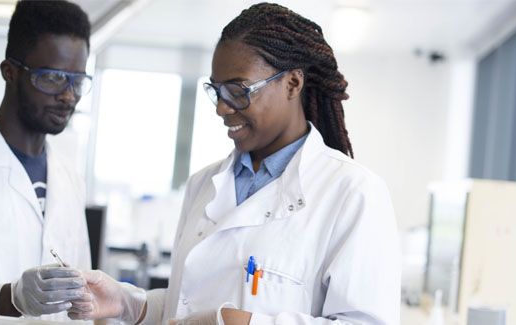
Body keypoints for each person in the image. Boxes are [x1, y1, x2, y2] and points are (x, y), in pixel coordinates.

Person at [67, 2, 401, 324]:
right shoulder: (203, 184)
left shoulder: (352, 192)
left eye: (238, 90)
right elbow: (187, 306)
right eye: (217, 91)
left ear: (293, 83)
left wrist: (240, 323)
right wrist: (129, 304)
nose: (222, 108)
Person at [0, 0, 94, 321]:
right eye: (52, 78)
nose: (68, 96)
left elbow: (86, 290)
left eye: (77, 81)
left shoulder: (68, 174)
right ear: (10, 72)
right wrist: (8, 297)